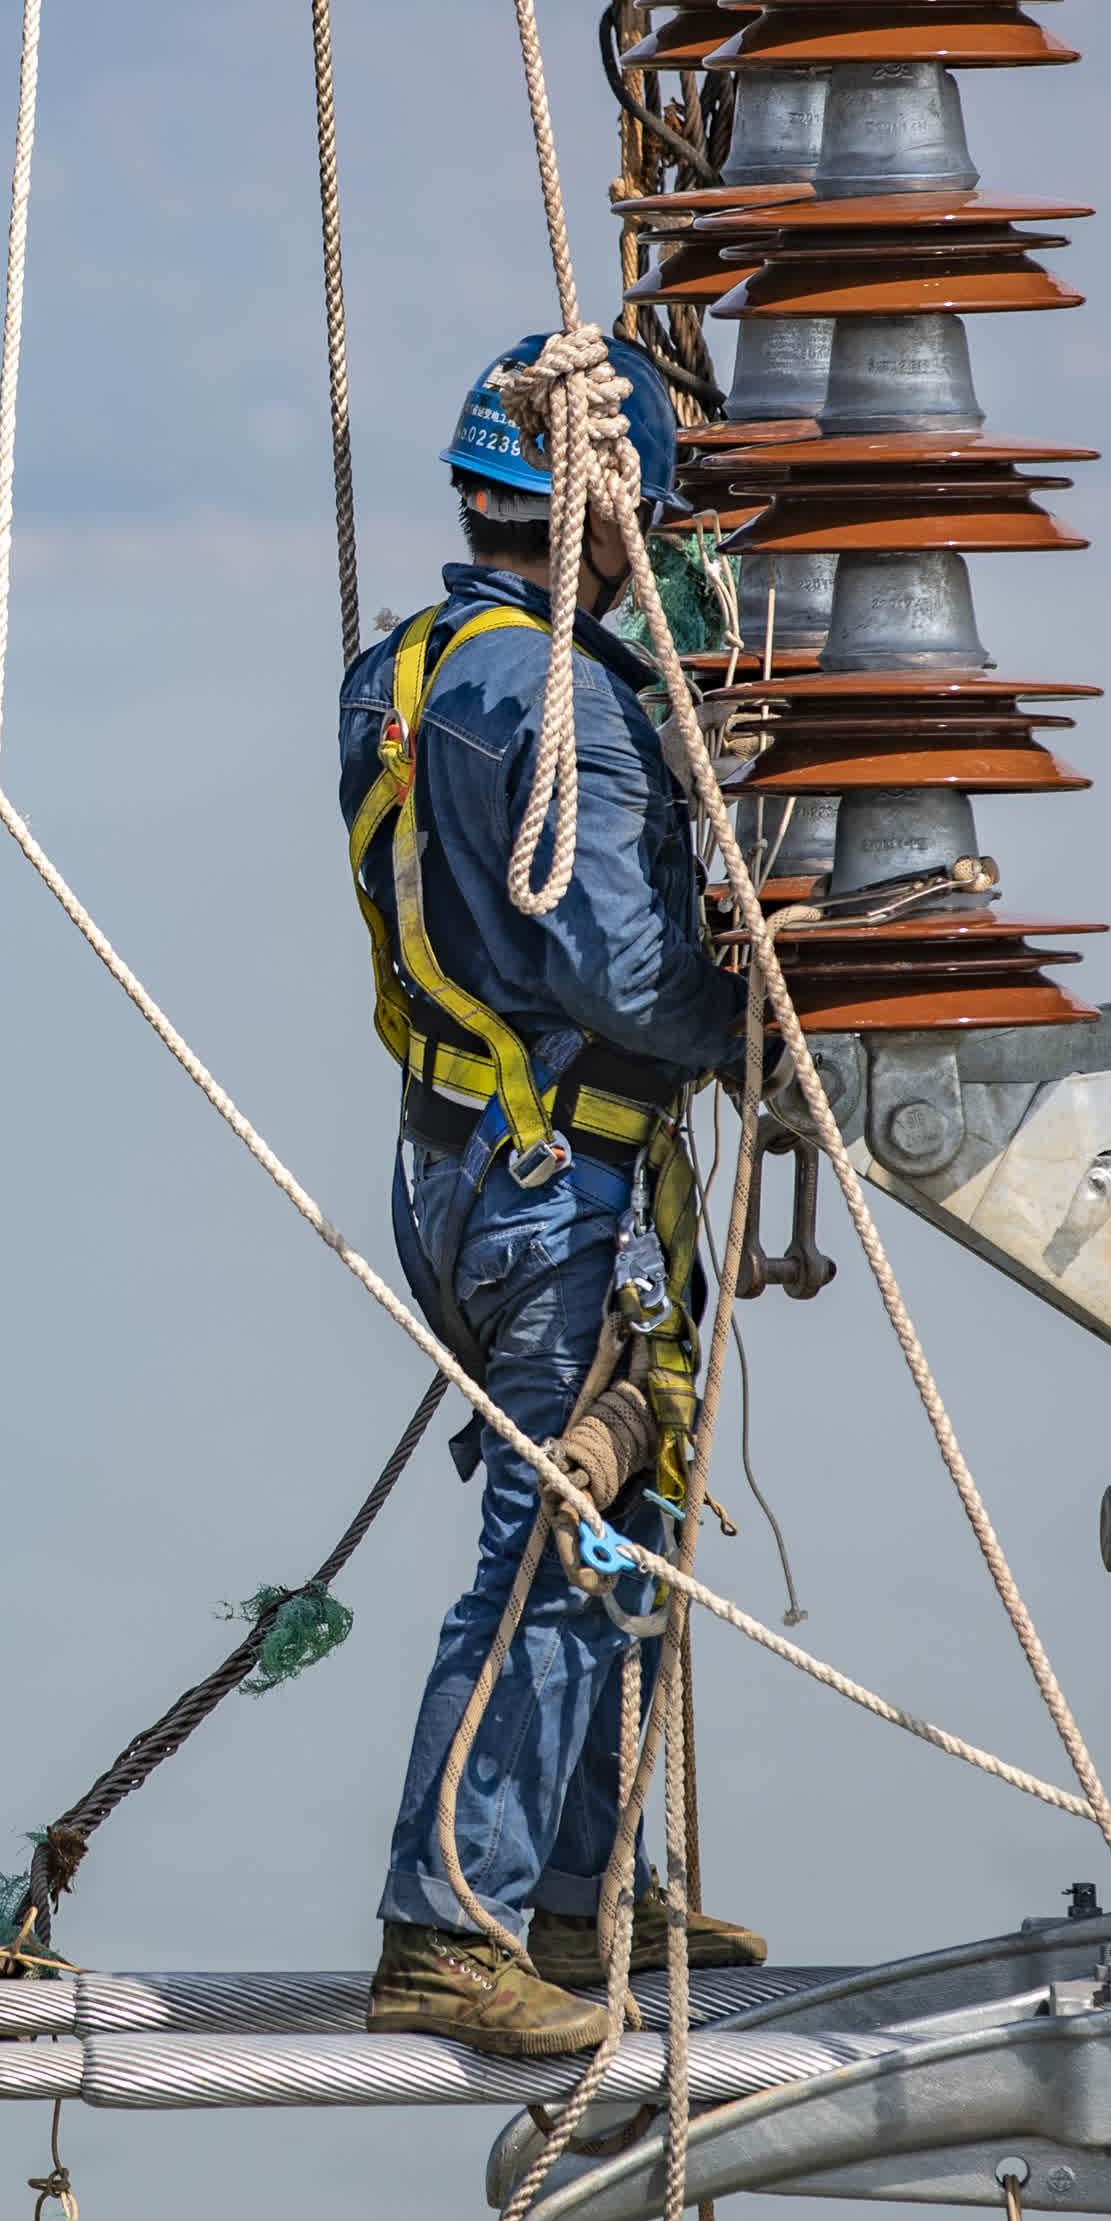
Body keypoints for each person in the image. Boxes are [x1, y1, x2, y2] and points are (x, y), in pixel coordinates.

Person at [336, 333, 768, 2057]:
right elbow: (623, 972)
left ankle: (587, 1896)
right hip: (555, 1183)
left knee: (621, 1523)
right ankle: (448, 1927)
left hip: (466, 1166)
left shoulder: (408, 668)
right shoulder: (561, 699)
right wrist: (765, 1018)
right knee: (554, 1552)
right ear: (598, 513)